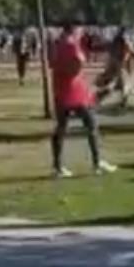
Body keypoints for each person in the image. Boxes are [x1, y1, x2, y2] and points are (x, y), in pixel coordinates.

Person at [50, 22, 117, 178]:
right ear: (75, 29)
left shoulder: (57, 44)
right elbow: (79, 61)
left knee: (61, 128)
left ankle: (58, 167)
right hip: (75, 91)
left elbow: (53, 63)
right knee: (91, 125)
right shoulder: (72, 44)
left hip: (60, 89)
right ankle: (97, 163)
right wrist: (75, 72)